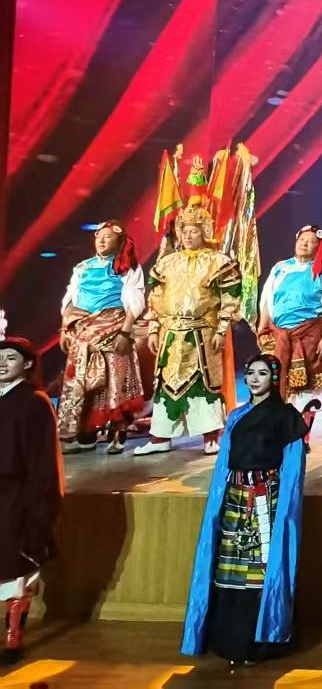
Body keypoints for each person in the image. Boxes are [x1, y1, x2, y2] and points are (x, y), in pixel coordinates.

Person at [181, 353, 312, 669]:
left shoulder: (287, 418)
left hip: (266, 502)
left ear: (274, 378)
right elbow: (224, 464)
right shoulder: (237, 416)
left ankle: (258, 644)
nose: (254, 379)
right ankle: (228, 641)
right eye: (250, 372)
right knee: (229, 572)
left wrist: (284, 510)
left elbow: (293, 470)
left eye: (262, 373)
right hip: (235, 501)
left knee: (259, 572)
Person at [134, 204, 242, 456]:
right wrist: (153, 328)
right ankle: (160, 438)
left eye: (194, 230)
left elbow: (230, 298)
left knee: (204, 384)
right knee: (165, 384)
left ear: (204, 232)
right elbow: (156, 298)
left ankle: (211, 437)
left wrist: (222, 329)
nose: (188, 235)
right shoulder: (167, 263)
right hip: (171, 334)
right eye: (184, 231)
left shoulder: (218, 262)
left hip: (201, 334)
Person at [57, 220, 146, 453]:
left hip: (114, 326)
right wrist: (65, 329)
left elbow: (134, 301)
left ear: (119, 240)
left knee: (115, 380)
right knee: (80, 382)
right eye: (99, 237)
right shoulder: (82, 268)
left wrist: (125, 332)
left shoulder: (126, 267)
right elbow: (70, 300)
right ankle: (83, 434)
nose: (102, 240)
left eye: (108, 237)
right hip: (82, 330)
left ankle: (118, 431)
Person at [0, 338, 61, 667]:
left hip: (16, 495)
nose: (2, 363)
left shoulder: (34, 402)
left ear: (27, 364)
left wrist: (39, 508)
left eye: (10, 358)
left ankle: (13, 637)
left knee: (15, 568)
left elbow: (42, 462)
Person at [256, 225, 322, 410]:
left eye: (311, 241)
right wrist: (262, 326)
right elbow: (268, 298)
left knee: (305, 396)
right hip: (279, 333)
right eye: (302, 240)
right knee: (273, 379)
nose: (304, 244)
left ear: (319, 246)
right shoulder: (280, 268)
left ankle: (304, 425)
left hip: (309, 334)